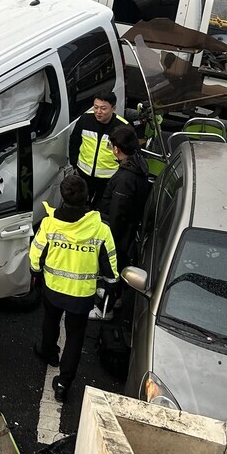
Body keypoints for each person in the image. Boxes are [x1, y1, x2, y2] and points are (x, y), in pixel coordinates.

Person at [30, 175, 119, 401]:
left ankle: (48, 353)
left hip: (53, 289)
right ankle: (63, 384)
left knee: (50, 321)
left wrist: (36, 273)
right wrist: (111, 284)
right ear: (86, 198)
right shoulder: (100, 229)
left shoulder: (50, 224)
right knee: (75, 338)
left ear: (62, 197)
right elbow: (110, 262)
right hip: (81, 296)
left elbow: (35, 254)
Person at [92, 125, 150, 321]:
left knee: (111, 271)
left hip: (117, 234)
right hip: (128, 231)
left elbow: (118, 212)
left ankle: (105, 309)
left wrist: (108, 239)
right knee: (118, 268)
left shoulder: (125, 178)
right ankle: (114, 297)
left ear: (117, 149)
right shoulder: (138, 164)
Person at [68, 92, 129, 206]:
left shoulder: (123, 127)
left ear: (113, 108)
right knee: (80, 206)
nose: (98, 112)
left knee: (103, 207)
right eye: (96, 107)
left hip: (108, 179)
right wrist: (74, 163)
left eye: (103, 108)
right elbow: (74, 142)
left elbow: (129, 154)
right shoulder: (85, 119)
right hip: (84, 174)